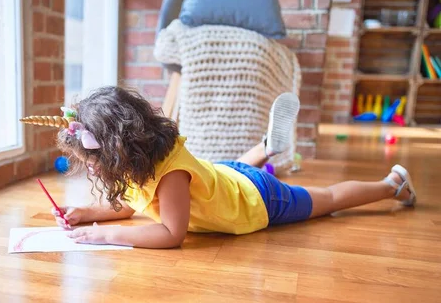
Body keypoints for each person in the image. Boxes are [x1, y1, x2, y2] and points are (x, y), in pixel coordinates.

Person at [47, 86, 416, 249]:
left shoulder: (172, 175)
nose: (93, 171)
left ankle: (392, 183)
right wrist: (89, 213)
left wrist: (107, 236)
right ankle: (266, 147)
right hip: (222, 177)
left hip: (258, 198)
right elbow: (135, 204)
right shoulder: (139, 163)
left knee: (329, 199)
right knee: (220, 178)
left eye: (93, 162)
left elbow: (172, 235)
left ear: (118, 149)